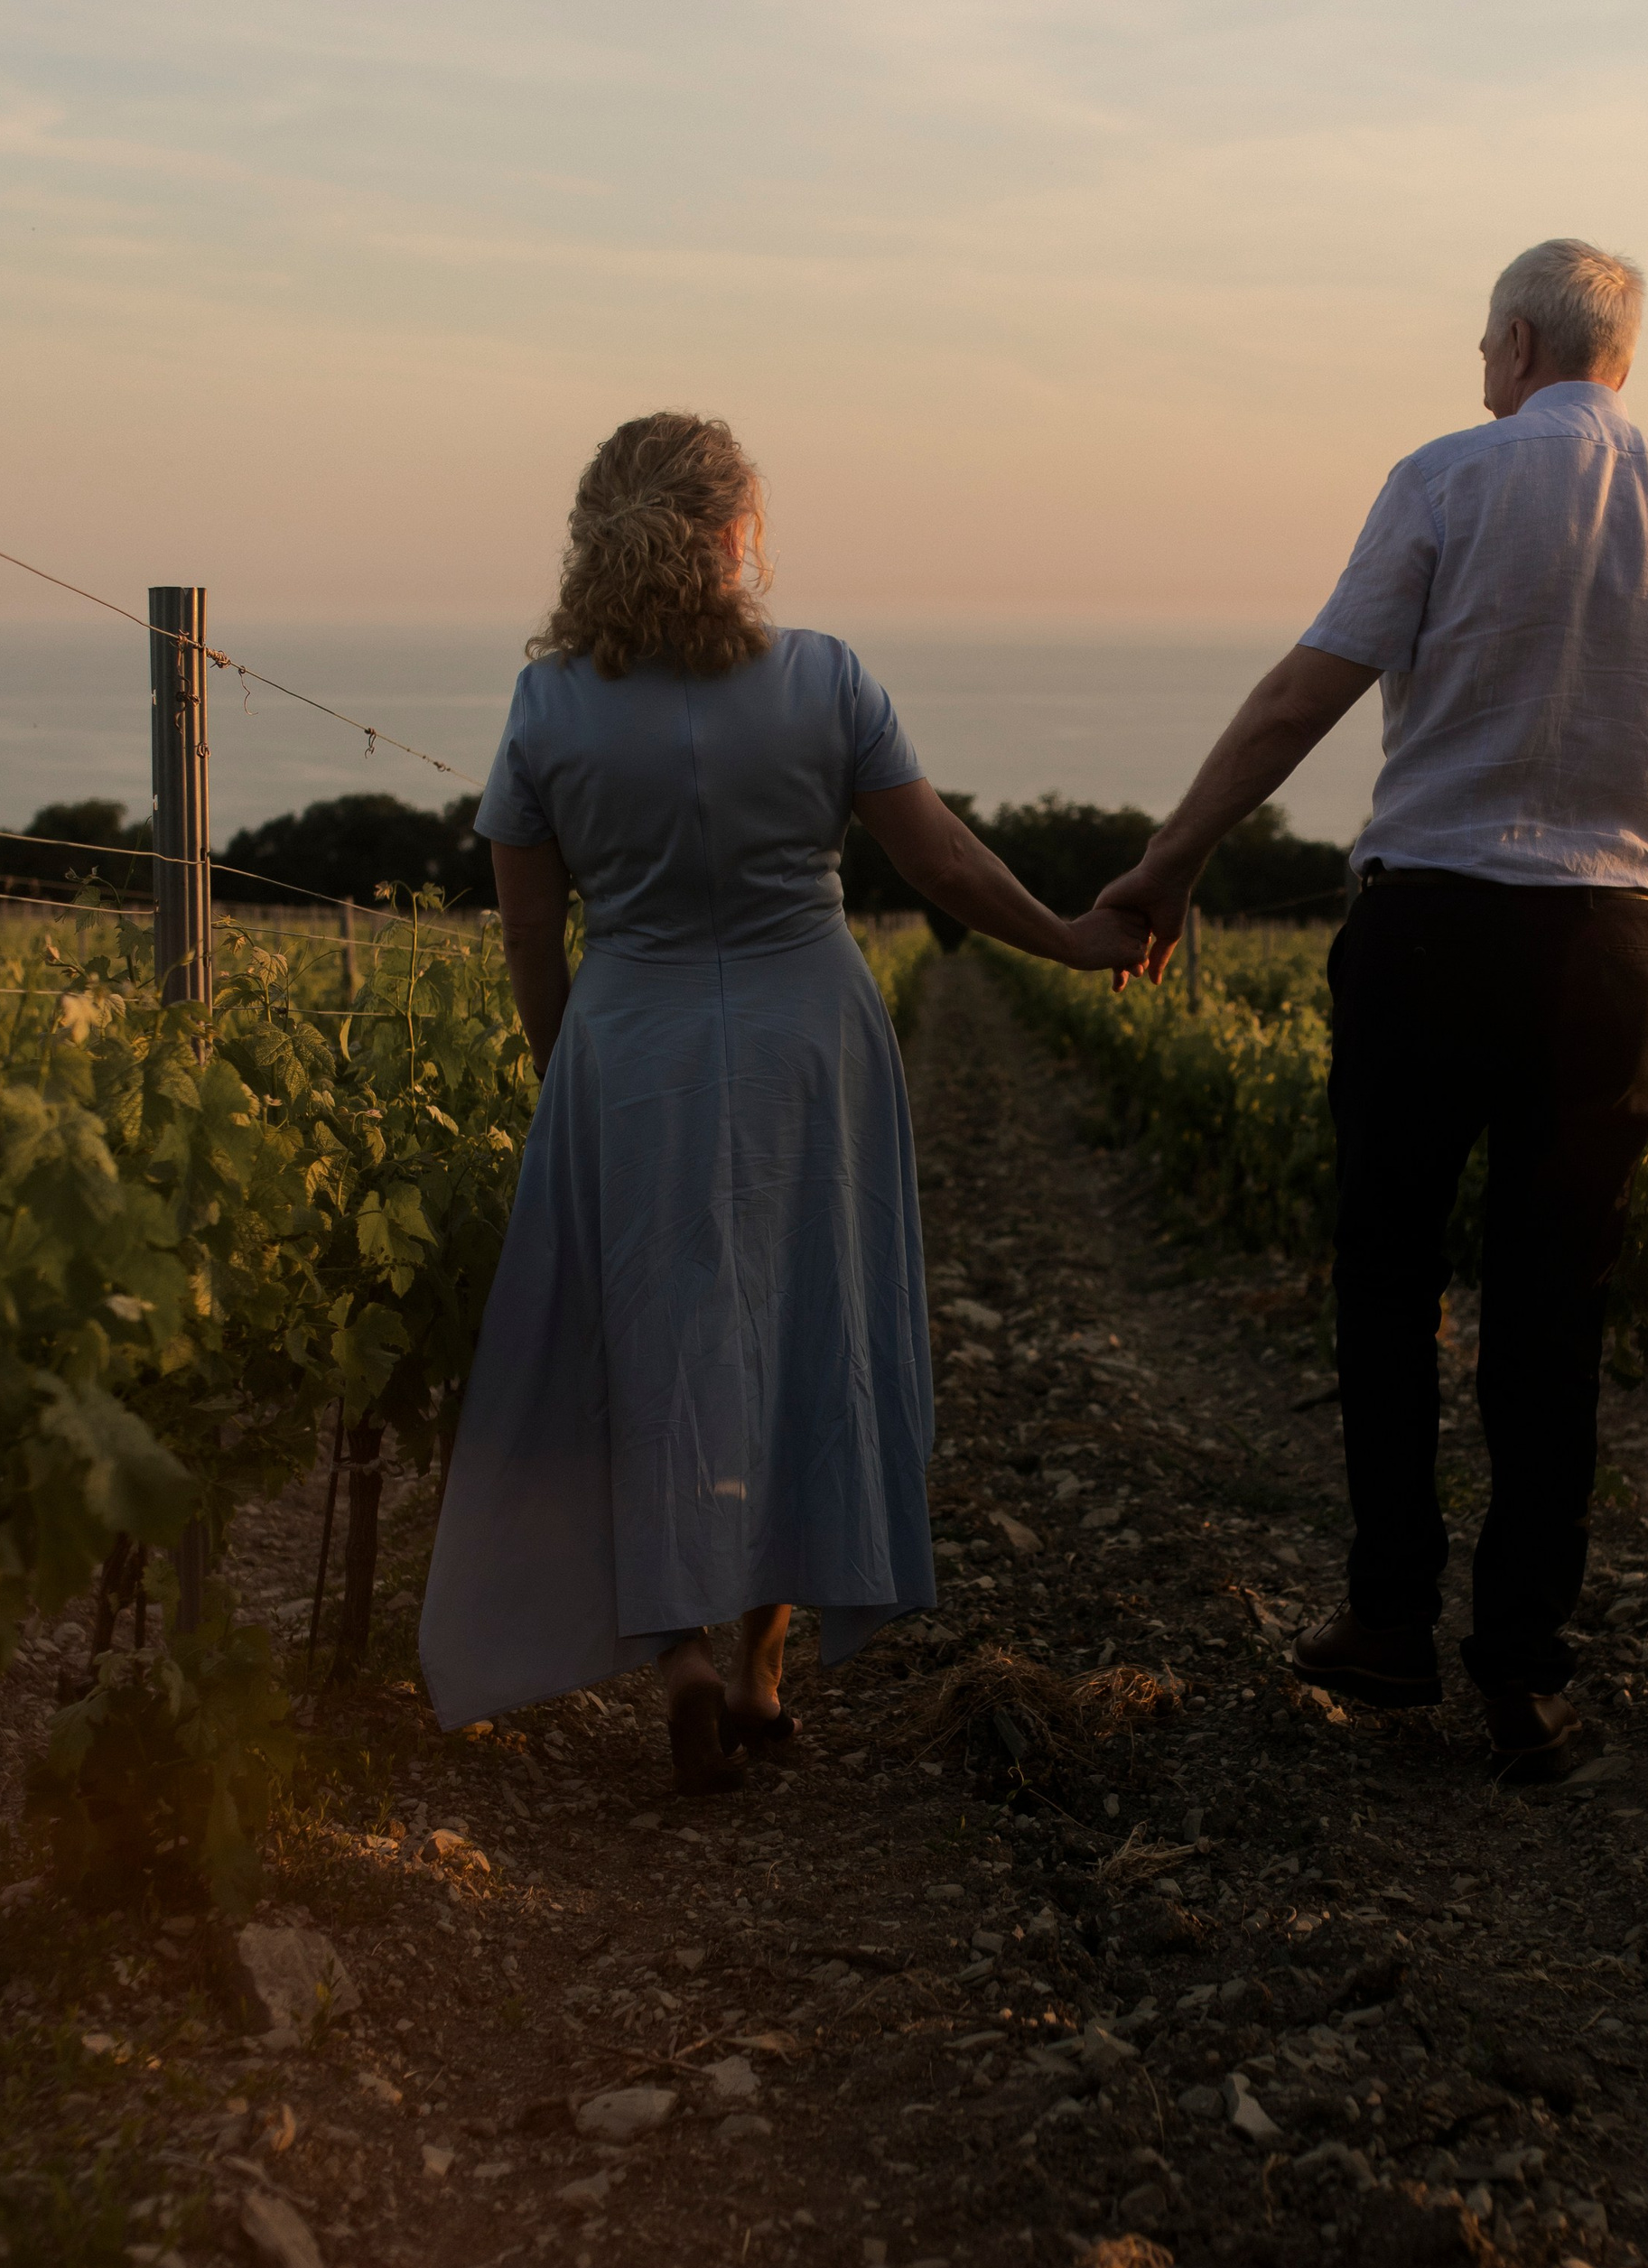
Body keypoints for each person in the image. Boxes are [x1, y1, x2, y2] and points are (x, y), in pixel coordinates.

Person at [1095, 241, 1648, 1778]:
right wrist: (1626, 842)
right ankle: (1526, 1675)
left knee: (1391, 1275)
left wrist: (1170, 861)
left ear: (1519, 342)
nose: (1479, 369)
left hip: (1434, 927)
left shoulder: (1445, 479)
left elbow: (1300, 697)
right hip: (1614, 949)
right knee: (1556, 1307)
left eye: (1483, 346)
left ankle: (1390, 1619)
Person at [420, 412, 1148, 1792]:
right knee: (803, 1329)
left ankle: (681, 1650)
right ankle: (762, 1669)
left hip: (632, 1042)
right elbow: (941, 861)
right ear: (738, 532)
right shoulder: (824, 676)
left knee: (656, 1344)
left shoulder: (549, 704)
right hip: (811, 1041)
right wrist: (1071, 936)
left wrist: (571, 1072)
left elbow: (528, 933)